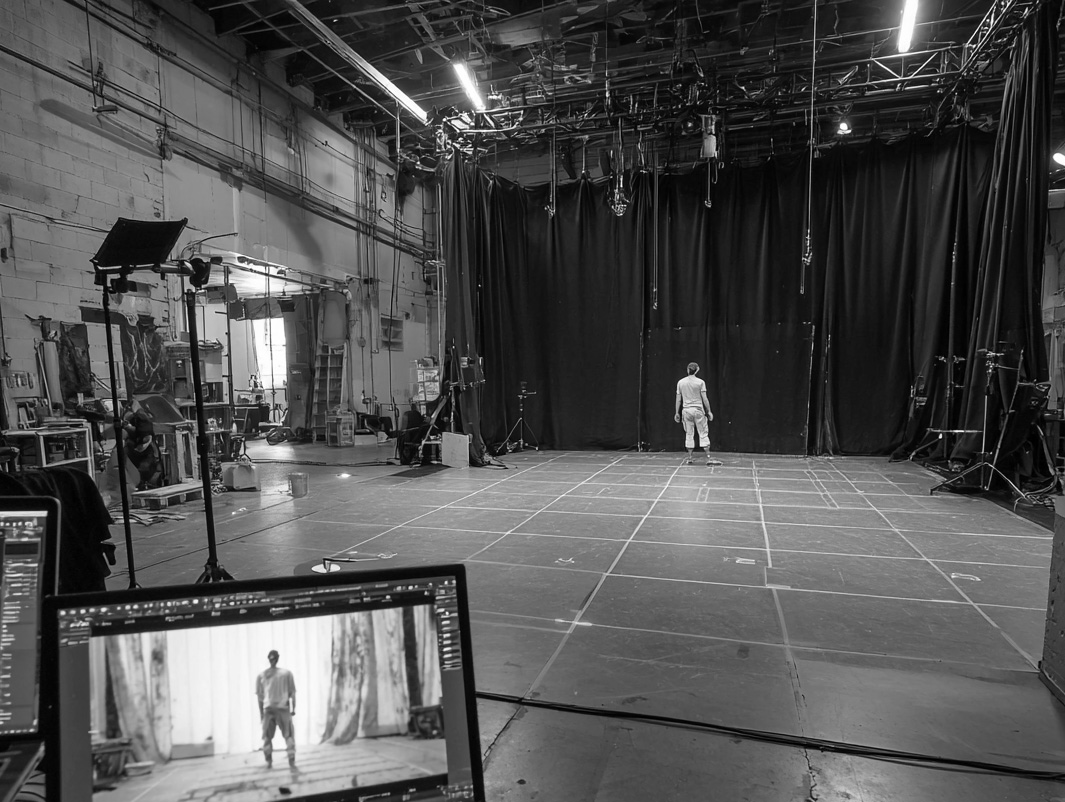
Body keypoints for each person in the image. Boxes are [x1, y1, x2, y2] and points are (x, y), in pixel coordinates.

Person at [256, 649, 296, 769]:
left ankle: (269, 760)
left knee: (267, 737)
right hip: (283, 708)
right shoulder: (287, 674)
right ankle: (291, 758)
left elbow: (260, 698)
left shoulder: (261, 676)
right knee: (288, 735)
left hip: (269, 709)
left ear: (269, 659)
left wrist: (261, 714)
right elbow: (292, 694)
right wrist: (293, 709)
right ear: (277, 659)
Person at [674, 362, 719, 465]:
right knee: (703, 432)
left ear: (688, 370)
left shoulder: (681, 382)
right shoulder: (700, 382)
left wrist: (677, 412)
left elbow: (678, 399)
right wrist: (709, 411)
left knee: (689, 433)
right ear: (697, 370)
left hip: (686, 411)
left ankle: (690, 457)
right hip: (698, 410)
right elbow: (705, 399)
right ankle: (708, 457)